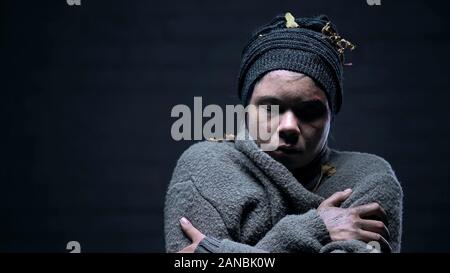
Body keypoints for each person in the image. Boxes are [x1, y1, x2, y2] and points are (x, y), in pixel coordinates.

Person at [164, 12, 403, 253]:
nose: (289, 126)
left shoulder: (368, 179)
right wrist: (315, 229)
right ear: (246, 108)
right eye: (270, 108)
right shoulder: (207, 167)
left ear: (331, 114)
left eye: (309, 111)